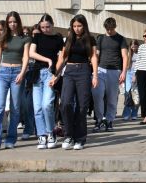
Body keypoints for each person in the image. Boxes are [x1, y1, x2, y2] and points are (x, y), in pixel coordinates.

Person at [0, 11, 30, 151]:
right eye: (10, 22)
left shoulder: (25, 38)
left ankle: (11, 139)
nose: (12, 24)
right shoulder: (2, 38)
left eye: (14, 22)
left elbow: (26, 57)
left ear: (18, 22)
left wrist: (22, 73)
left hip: (17, 73)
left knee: (15, 108)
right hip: (3, 73)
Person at [55, 14, 98, 150]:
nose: (77, 29)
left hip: (84, 70)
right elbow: (62, 59)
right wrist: (55, 75)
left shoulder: (90, 39)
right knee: (66, 103)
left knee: (82, 106)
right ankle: (68, 135)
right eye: (74, 26)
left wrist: (95, 75)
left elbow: (94, 57)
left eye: (79, 26)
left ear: (84, 26)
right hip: (69, 71)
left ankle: (80, 138)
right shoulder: (68, 39)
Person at [29, 14, 64, 149]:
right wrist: (48, 60)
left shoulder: (58, 39)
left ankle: (51, 133)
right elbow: (31, 53)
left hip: (50, 74)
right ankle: (41, 135)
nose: (45, 29)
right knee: (37, 107)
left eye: (47, 27)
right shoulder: (36, 37)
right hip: (37, 74)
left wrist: (58, 74)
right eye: (42, 27)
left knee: (47, 105)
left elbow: (62, 58)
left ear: (52, 24)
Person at [91, 17, 129, 133]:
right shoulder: (100, 38)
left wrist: (123, 72)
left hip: (115, 71)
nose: (109, 31)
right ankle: (99, 119)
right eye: (107, 29)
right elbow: (96, 55)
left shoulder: (121, 39)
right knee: (97, 95)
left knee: (112, 98)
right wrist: (95, 71)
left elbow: (125, 57)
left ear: (115, 27)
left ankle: (109, 120)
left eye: (111, 29)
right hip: (101, 70)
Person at [19, 26, 37, 141]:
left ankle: (30, 129)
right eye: (23, 33)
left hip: (32, 73)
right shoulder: (20, 44)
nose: (25, 35)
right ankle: (29, 126)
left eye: (27, 33)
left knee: (30, 103)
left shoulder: (33, 45)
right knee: (23, 104)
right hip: (21, 73)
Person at [121, 39, 140, 121]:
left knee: (136, 95)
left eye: (135, 47)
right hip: (128, 73)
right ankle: (126, 113)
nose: (133, 49)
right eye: (132, 47)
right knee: (128, 94)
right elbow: (125, 66)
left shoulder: (140, 54)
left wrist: (135, 75)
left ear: (137, 46)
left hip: (137, 74)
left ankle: (134, 113)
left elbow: (140, 65)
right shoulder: (128, 54)